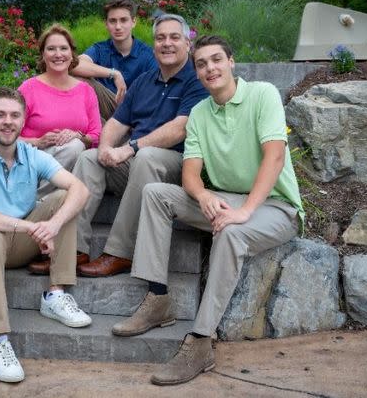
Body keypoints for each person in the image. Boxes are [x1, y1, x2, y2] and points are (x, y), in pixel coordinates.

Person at [111, 35, 304, 385]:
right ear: (196, 71)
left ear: (231, 62)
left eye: (216, 60)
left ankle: (201, 341)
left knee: (231, 232)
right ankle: (157, 300)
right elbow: (189, 174)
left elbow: (274, 157)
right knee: (156, 192)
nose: (209, 68)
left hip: (275, 207)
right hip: (226, 198)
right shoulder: (200, 112)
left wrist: (244, 210)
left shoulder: (262, 95)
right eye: (201, 63)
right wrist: (203, 198)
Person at [0, 87, 92, 383]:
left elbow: (80, 189)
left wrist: (52, 226)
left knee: (63, 199)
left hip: (15, 244)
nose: (7, 121)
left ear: (23, 120)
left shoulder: (31, 154)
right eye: (0, 114)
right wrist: (30, 227)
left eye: (15, 115)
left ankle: (55, 294)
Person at [72, 14, 208, 278]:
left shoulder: (197, 81)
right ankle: (72, 248)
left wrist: (130, 147)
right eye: (160, 38)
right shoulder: (145, 80)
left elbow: (180, 128)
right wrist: (104, 147)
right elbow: (116, 122)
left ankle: (119, 251)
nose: (166, 43)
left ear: (187, 44)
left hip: (177, 166)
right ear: (154, 44)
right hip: (138, 163)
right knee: (89, 159)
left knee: (146, 156)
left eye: (174, 37)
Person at [18, 24, 102, 198]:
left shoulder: (86, 91)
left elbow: (96, 135)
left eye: (63, 48)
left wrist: (78, 136)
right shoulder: (29, 89)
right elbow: (10, 136)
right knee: (73, 149)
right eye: (51, 49)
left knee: (75, 147)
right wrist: (38, 141)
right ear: (43, 54)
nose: (58, 54)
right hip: (35, 160)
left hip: (76, 160)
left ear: (72, 54)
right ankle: (35, 202)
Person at [70, 0, 157, 118]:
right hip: (107, 107)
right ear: (106, 24)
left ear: (133, 22)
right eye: (113, 21)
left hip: (135, 113)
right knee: (80, 81)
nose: (118, 27)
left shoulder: (147, 55)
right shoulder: (100, 49)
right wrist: (114, 73)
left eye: (123, 20)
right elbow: (74, 65)